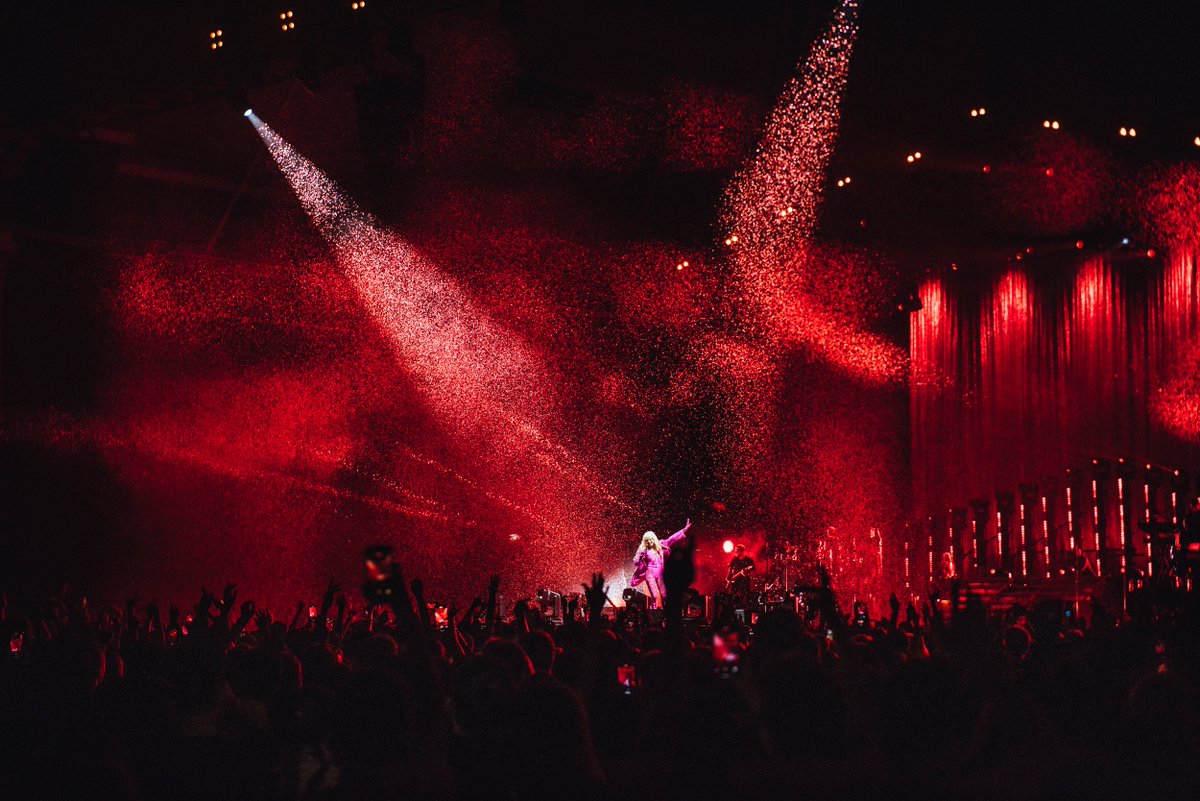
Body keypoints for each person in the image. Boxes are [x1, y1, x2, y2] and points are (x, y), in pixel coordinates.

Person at [630, 519, 691, 609]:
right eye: (647, 540)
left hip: (660, 573)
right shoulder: (643, 549)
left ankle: (668, 611)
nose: (649, 541)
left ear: (654, 539)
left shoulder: (661, 544)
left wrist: (684, 529)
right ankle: (654, 613)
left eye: (651, 539)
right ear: (645, 541)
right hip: (649, 573)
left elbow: (672, 539)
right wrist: (640, 556)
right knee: (654, 596)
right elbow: (636, 562)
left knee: (664, 595)